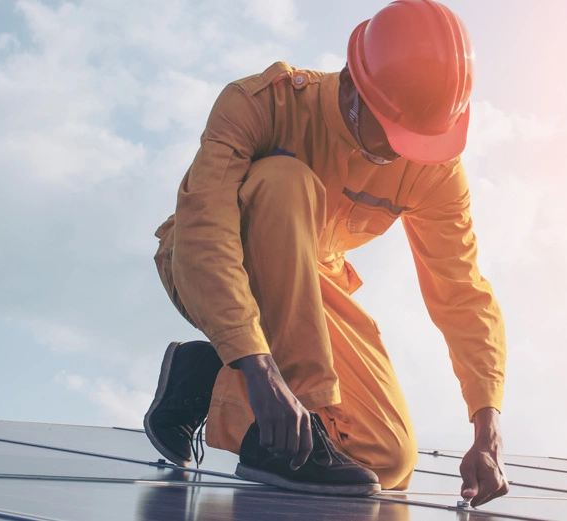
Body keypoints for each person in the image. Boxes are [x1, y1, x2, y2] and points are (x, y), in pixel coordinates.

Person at [142, 0, 509, 508]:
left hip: (310, 281)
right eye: (395, 137)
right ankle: (288, 414)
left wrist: (486, 420)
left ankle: (206, 382)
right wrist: (254, 361)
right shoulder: (261, 105)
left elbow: (461, 288)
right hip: (208, 258)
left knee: (387, 459)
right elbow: (206, 232)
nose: (406, 154)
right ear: (357, 87)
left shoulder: (433, 164)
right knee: (283, 181)